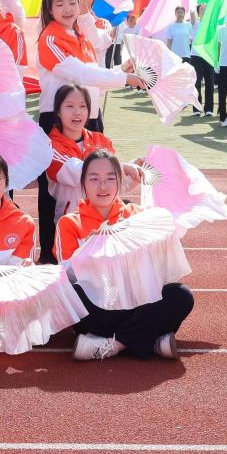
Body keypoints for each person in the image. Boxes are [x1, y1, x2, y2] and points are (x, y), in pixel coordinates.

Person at [36, 0, 146, 256]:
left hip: (88, 116)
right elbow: (81, 74)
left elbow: (94, 78)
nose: (68, 8)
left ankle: (94, 242)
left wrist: (121, 71)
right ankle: (51, 253)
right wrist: (124, 79)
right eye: (60, 3)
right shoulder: (50, 38)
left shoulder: (81, 37)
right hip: (56, 117)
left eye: (72, 2)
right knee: (53, 191)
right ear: (49, 9)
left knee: (97, 178)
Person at [56, 150, 194, 361]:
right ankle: (151, 340)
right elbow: (66, 276)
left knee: (181, 296)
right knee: (69, 295)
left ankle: (113, 345)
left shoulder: (137, 215)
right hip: (101, 304)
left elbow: (159, 264)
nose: (103, 186)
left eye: (110, 178)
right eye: (94, 179)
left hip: (138, 300)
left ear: (120, 182)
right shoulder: (69, 223)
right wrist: (90, 250)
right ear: (83, 183)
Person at [43, 85, 141, 260]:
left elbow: (116, 185)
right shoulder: (50, 146)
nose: (77, 112)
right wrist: (122, 167)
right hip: (75, 226)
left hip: (107, 221)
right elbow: (77, 171)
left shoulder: (101, 141)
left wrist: (136, 173)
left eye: (83, 106)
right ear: (58, 111)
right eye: (69, 106)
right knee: (76, 271)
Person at [188, 4, 215, 116]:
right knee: (196, 83)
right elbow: (192, 14)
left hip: (208, 56)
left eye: (206, 9)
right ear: (198, 12)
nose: (204, 11)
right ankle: (197, 108)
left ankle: (209, 109)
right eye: (202, 9)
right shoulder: (195, 23)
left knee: (209, 83)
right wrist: (192, 9)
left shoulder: (212, 24)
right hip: (196, 56)